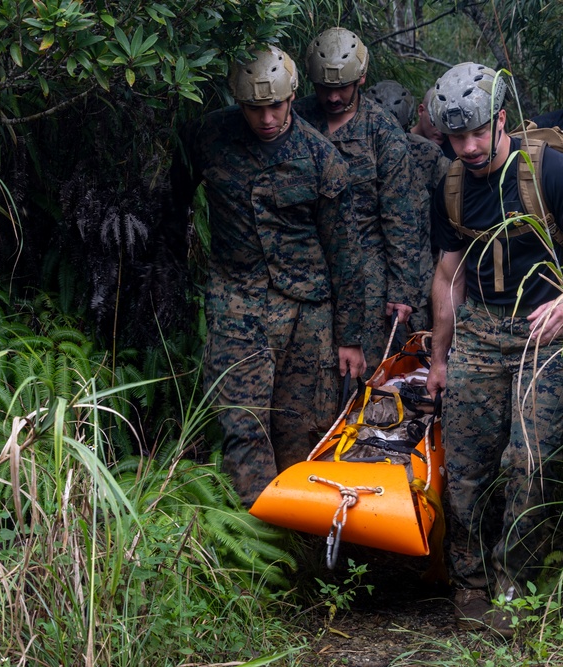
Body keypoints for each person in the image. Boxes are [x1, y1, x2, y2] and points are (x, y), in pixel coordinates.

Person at [424, 62, 563, 637]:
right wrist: (438, 359)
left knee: (531, 460)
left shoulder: (549, 171)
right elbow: (448, 275)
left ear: (501, 118)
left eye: (479, 132)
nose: (471, 146)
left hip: (544, 332)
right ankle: (470, 583)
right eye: (458, 138)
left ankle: (515, 579)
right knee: (467, 468)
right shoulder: (451, 188)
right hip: (480, 333)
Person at [171, 46, 367, 507]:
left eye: (275, 106)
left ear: (293, 96)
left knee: (303, 429)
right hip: (236, 302)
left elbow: (346, 254)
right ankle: (257, 549)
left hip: (308, 310)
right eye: (254, 108)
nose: (265, 118)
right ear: (238, 102)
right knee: (242, 424)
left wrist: (350, 337)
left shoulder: (322, 158)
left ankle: (302, 542)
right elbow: (174, 199)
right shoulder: (208, 137)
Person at [295, 27, 424, 370]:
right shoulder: (297, 120)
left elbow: (400, 218)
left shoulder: (382, 132)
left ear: (361, 79)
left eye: (341, 88)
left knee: (359, 370)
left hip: (366, 272)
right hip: (304, 262)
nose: (333, 97)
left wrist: (401, 290)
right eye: (325, 88)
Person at [364, 80, 450, 331]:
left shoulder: (430, 155)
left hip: (421, 272)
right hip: (377, 273)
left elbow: (444, 216)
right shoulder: (354, 152)